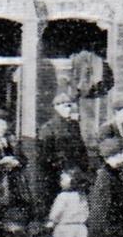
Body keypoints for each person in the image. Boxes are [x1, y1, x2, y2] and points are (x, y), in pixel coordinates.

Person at [35, 90, 88, 219]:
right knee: (55, 206)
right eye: (64, 106)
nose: (68, 109)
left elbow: (80, 149)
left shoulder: (74, 126)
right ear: (56, 107)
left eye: (70, 105)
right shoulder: (48, 128)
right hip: (56, 174)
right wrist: (61, 168)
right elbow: (44, 155)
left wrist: (82, 166)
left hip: (74, 171)